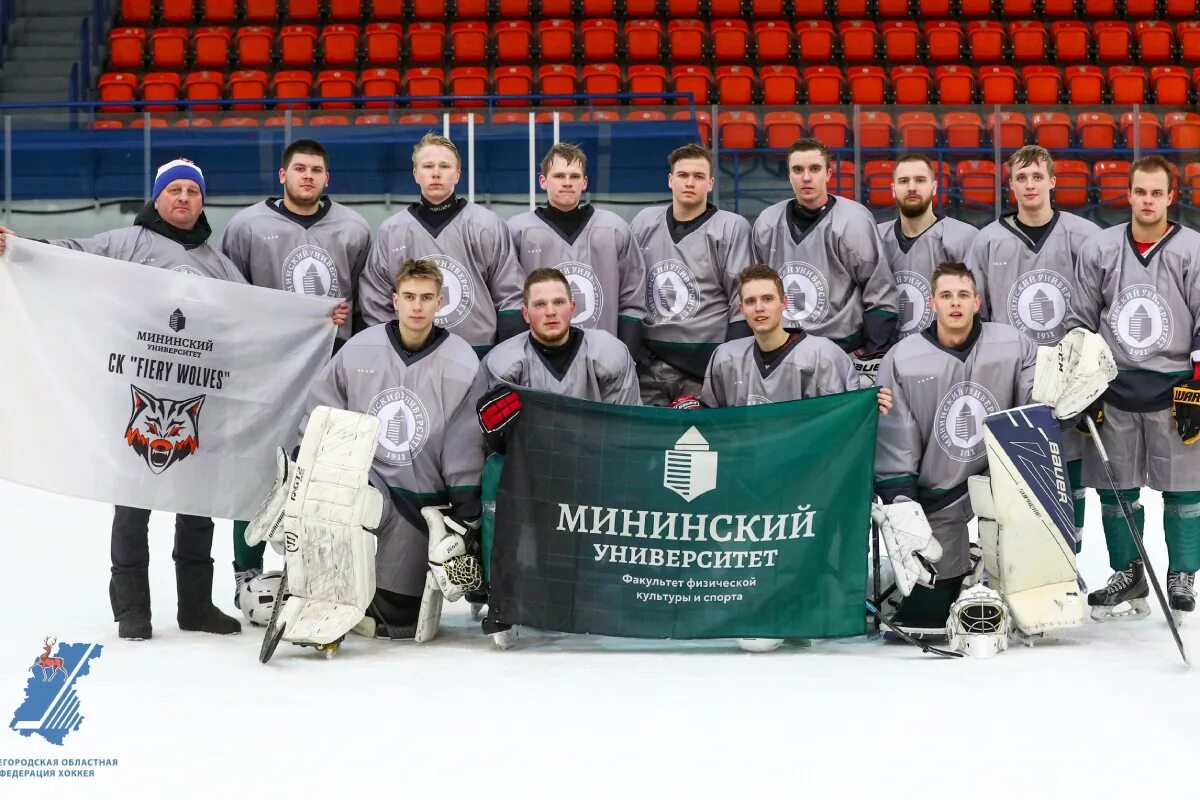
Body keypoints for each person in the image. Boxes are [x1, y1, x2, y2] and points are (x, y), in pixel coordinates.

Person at [3, 159, 264, 641]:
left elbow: (256, 318)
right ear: (158, 196)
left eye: (192, 191)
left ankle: (196, 606)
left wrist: (316, 319)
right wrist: (19, 248)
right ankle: (132, 610)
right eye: (174, 190)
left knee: (198, 504)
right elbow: (68, 256)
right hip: (136, 399)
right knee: (132, 505)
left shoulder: (218, 262)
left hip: (194, 402)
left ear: (202, 200)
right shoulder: (126, 243)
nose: (183, 198)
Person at [219, 138, 368, 617]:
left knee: (326, 474)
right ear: (282, 176)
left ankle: (322, 571)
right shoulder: (246, 227)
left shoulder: (354, 228)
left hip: (332, 368)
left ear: (328, 178)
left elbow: (369, 306)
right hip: (265, 370)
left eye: (317, 170)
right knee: (258, 468)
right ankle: (247, 572)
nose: (308, 176)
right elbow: (231, 301)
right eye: (299, 169)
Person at [302, 258, 486, 638]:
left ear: (440, 302)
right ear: (394, 300)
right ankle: (321, 586)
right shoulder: (359, 348)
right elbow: (324, 410)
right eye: (409, 297)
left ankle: (371, 600)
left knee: (397, 618)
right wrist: (314, 467)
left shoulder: (463, 361)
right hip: (362, 483)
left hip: (421, 501)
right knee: (331, 518)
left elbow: (465, 442)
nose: (417, 306)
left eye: (426, 297)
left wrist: (464, 511)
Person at [1063, 155, 1200, 623]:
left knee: (1184, 489)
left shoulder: (1193, 249)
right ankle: (1130, 570)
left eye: (1155, 193)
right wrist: (1084, 387)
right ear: (1129, 193)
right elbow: (1081, 319)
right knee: (1115, 490)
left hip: (1175, 388)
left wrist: (1199, 388)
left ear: (1169, 196)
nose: (1147, 200)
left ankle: (1182, 574)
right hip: (1114, 388)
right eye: (1139, 191)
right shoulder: (1101, 249)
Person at [875, 262, 1036, 638]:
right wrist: (901, 495)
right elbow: (897, 432)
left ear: (977, 301)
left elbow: (1035, 407)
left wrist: (1063, 396)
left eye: (963, 295)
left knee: (1029, 609)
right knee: (924, 620)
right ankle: (958, 567)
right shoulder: (902, 357)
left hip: (1002, 485)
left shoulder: (1013, 344)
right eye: (946, 296)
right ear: (932, 303)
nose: (955, 303)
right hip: (939, 494)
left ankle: (1003, 568)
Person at [965, 145, 1101, 548]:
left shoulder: (1085, 236)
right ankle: (1017, 561)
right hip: (1009, 373)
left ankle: (1068, 559)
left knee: (1069, 469)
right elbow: (977, 311)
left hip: (1068, 374)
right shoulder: (987, 240)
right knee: (1014, 468)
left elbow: (1099, 304)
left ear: (1052, 181)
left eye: (1037, 176)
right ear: (1010, 185)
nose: (1030, 185)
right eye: (1021, 178)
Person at [359, 133, 525, 355]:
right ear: (416, 174)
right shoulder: (392, 231)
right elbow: (376, 299)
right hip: (412, 355)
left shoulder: (486, 225)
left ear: (457, 175)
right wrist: (392, 352)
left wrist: (507, 354)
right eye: (428, 166)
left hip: (478, 352)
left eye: (444, 166)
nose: (436, 173)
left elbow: (510, 295)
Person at [751, 138, 899, 376]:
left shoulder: (854, 221)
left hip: (842, 351)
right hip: (781, 352)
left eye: (815, 169)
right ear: (789, 174)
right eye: (798, 170)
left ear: (828, 173)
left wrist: (872, 357)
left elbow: (879, 292)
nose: (806, 177)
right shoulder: (767, 223)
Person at [632, 143, 754, 406]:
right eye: (683, 175)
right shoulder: (644, 222)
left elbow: (740, 301)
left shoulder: (731, 228)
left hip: (704, 366)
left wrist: (730, 364)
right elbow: (630, 290)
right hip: (650, 364)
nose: (690, 183)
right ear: (670, 180)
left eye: (699, 177)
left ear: (710, 183)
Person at [507, 143, 646, 355]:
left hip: (603, 354)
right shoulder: (517, 231)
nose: (567, 183)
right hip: (539, 355)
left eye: (574, 176)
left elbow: (633, 299)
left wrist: (628, 354)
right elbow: (511, 299)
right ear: (543, 181)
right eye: (559, 176)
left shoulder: (614, 228)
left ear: (584, 182)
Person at [701, 264, 892, 411]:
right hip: (747, 460)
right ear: (741, 309)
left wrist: (870, 404)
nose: (759, 308)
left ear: (783, 303)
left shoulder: (823, 356)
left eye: (767, 299)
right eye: (750, 301)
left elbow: (844, 417)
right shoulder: (724, 358)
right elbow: (711, 421)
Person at [479, 268, 641, 405]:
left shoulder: (609, 354)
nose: (550, 312)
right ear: (526, 314)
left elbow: (626, 429)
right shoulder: (503, 365)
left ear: (572, 308)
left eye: (558, 302)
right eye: (540, 304)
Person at [878, 155, 977, 341]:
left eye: (920, 180)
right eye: (904, 181)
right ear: (893, 189)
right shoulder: (875, 238)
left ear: (934, 187)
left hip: (945, 355)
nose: (912, 187)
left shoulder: (965, 237)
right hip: (887, 353)